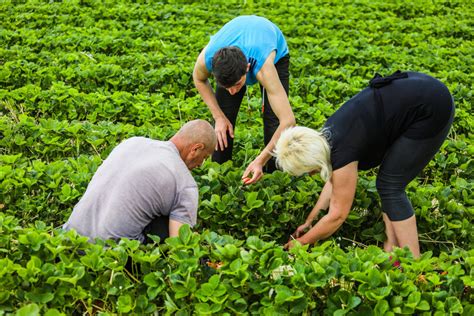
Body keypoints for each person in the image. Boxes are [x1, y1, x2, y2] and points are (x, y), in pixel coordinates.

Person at [274, 71, 455, 257]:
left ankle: (413, 264)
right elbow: (334, 184)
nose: (311, 174)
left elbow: (337, 215)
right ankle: (392, 250)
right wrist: (310, 221)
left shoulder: (343, 151)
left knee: (391, 186)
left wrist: (302, 242)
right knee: (387, 183)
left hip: (432, 106)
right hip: (417, 88)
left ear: (314, 160)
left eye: (308, 169)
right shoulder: (325, 138)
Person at [63, 119, 216, 243]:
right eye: (205, 157)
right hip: (112, 253)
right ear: (196, 149)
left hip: (70, 238)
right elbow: (180, 246)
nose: (201, 164)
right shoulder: (184, 182)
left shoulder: (132, 142)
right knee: (168, 223)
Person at [193, 15, 296, 185]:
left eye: (237, 84)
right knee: (222, 121)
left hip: (273, 50)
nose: (232, 91)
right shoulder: (209, 58)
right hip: (237, 45)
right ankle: (219, 177)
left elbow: (288, 121)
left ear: (247, 69)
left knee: (274, 122)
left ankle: (274, 180)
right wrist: (219, 117)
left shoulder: (264, 67)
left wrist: (259, 160)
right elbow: (198, 79)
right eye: (227, 86)